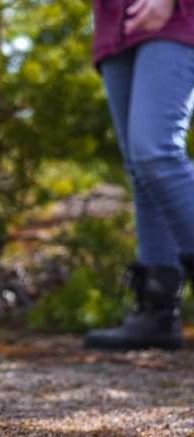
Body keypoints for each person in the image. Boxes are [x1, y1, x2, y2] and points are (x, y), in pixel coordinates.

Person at [84, 0, 194, 350]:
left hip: (176, 17)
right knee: (141, 170)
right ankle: (158, 312)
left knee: (156, 154)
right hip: (114, 26)